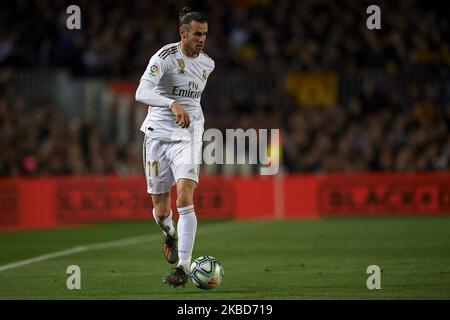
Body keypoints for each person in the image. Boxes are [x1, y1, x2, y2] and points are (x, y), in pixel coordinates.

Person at [135, 7, 214, 287]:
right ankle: (169, 233)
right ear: (183, 33)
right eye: (196, 34)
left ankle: (183, 266)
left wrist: (186, 111)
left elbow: (193, 99)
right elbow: (141, 92)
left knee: (184, 198)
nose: (201, 39)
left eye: (204, 34)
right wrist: (172, 103)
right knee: (160, 209)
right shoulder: (164, 58)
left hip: (189, 135)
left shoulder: (208, 64)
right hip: (157, 136)